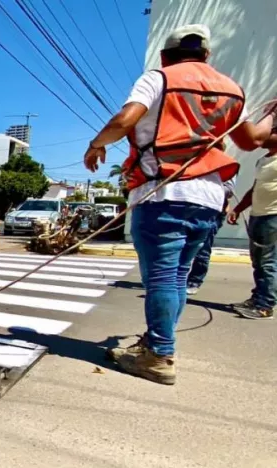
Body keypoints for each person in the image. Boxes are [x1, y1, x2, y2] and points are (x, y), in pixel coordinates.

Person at [84, 24, 275, 385]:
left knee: (161, 278)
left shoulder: (159, 78)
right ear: (207, 56)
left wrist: (96, 144)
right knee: (178, 277)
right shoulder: (233, 90)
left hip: (164, 192)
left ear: (165, 56)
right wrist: (269, 113)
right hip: (209, 197)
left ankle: (159, 353)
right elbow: (252, 141)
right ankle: (157, 345)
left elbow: (126, 119)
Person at [226, 146, 277, 319]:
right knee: (259, 261)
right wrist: (238, 209)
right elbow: (255, 188)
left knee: (268, 262)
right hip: (258, 214)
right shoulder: (264, 159)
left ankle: (265, 306)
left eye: (270, 130)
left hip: (273, 216)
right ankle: (257, 298)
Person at [185, 181, 234, 295]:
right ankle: (176, 279)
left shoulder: (225, 165)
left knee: (203, 249)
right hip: (191, 209)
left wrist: (201, 188)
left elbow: (228, 190)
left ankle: (194, 281)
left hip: (212, 212)